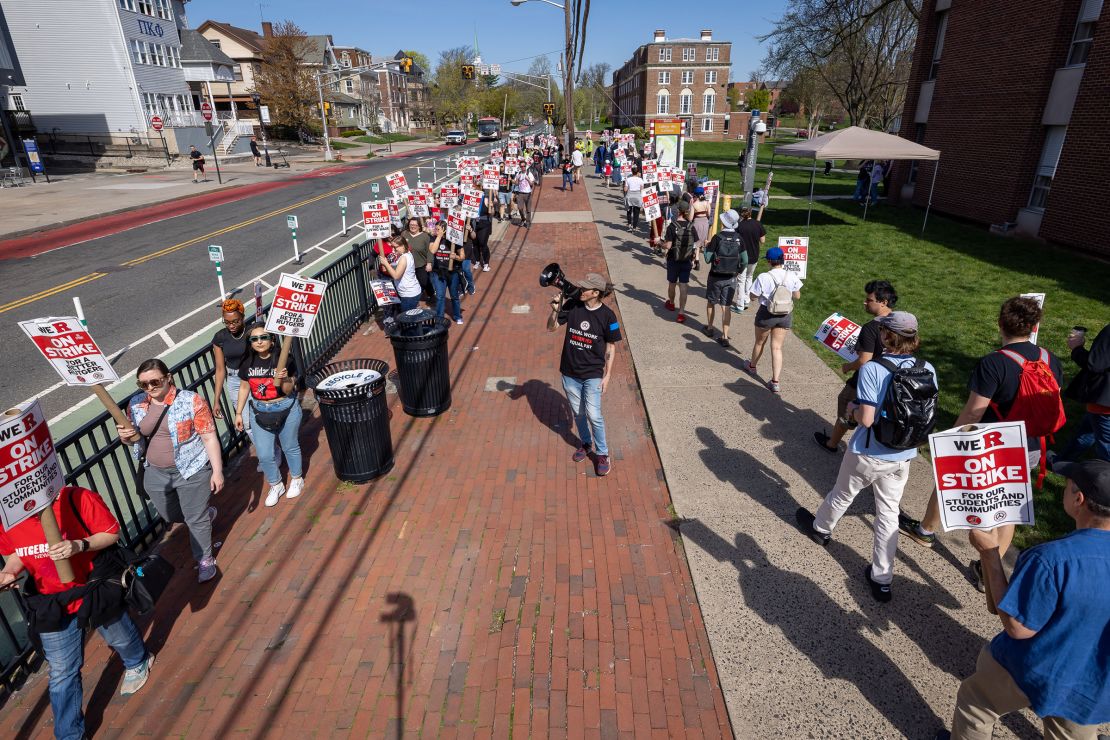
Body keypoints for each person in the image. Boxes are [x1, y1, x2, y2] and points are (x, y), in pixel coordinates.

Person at [936, 459, 1110, 740]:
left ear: (1078, 499)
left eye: (1066, 487)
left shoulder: (1050, 559)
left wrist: (990, 554)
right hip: (1094, 685)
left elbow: (1017, 627)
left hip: (1034, 668)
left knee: (976, 703)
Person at [899, 297, 1064, 590]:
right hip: (1030, 443)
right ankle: (991, 573)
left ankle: (926, 530)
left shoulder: (994, 363)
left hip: (991, 443)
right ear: (1035, 326)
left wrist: (950, 439)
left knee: (954, 482)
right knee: (1010, 505)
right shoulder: (1051, 360)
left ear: (1000, 324)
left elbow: (975, 410)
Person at [795, 312, 936, 602]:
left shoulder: (874, 368)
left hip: (869, 452)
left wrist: (852, 412)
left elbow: (868, 419)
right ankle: (882, 578)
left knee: (843, 493)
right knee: (888, 513)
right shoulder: (928, 368)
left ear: (886, 336)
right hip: (904, 453)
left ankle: (821, 529)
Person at [0, 485, 156, 738]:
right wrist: (10, 571)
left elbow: (110, 533)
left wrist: (78, 545)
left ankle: (138, 659)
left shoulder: (75, 497)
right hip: (50, 600)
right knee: (62, 671)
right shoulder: (6, 516)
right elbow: (17, 552)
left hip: (92, 586)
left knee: (117, 634)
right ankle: (70, 735)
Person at [119, 359, 223, 582]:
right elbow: (134, 440)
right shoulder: (136, 404)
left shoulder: (191, 401)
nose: (150, 388)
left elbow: (208, 436)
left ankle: (204, 559)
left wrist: (217, 471)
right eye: (143, 384)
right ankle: (205, 515)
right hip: (155, 471)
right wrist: (125, 439)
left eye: (155, 382)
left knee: (195, 518)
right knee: (170, 515)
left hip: (192, 468)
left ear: (168, 378)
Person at [547, 273, 621, 478]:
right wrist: (554, 312)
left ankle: (603, 454)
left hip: (593, 374)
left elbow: (611, 346)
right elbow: (552, 328)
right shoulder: (572, 305)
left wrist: (608, 375)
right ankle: (586, 444)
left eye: (585, 289)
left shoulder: (608, 316)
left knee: (594, 415)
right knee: (579, 413)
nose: (581, 291)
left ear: (595, 293)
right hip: (569, 373)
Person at [813, 281, 897, 453]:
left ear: (884, 302)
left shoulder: (871, 328)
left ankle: (834, 443)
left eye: (869, 300)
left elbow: (864, 361)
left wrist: (847, 367)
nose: (864, 302)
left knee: (846, 404)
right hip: (890, 378)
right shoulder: (899, 323)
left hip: (865, 379)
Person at [235, 326, 305, 507]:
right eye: (254, 339)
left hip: (285, 407)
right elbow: (244, 387)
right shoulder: (247, 363)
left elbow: (290, 390)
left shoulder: (285, 360)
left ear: (272, 340)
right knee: (265, 454)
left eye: (264, 337)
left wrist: (284, 379)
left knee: (290, 447)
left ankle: (297, 478)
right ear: (250, 343)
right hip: (260, 409)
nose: (259, 341)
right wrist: (239, 413)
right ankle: (276, 484)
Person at [744, 247, 803, 394]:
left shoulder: (764, 277)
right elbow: (797, 296)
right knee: (777, 347)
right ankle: (775, 382)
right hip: (785, 314)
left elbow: (752, 296)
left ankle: (752, 366)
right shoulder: (791, 275)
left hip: (766, 313)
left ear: (769, 261)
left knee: (759, 343)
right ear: (782, 260)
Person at [1052, 323, 1110, 465]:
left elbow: (1095, 364)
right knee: (1087, 430)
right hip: (1102, 403)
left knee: (1106, 450)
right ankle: (1061, 462)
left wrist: (1077, 348)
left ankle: (1100, 484)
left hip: (1104, 403)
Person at [701, 209, 746, 346]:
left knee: (711, 302)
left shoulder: (717, 238)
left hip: (715, 277)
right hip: (731, 277)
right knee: (726, 306)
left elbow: (708, 259)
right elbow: (745, 260)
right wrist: (738, 271)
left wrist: (706, 247)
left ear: (723, 222)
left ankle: (710, 328)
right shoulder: (739, 239)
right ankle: (725, 336)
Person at [662, 200, 698, 324]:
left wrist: (659, 243)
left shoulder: (672, 226)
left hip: (673, 259)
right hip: (686, 260)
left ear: (678, 210)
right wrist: (694, 259)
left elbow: (668, 246)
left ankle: (671, 303)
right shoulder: (691, 226)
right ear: (687, 211)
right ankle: (681, 313)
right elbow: (696, 244)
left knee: (672, 283)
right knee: (683, 286)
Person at [429, 221, 465, 324]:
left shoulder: (455, 239)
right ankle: (439, 318)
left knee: (454, 295)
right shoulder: (433, 238)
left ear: (445, 229)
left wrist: (456, 257)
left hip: (452, 272)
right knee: (440, 296)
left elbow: (463, 256)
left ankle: (457, 316)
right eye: (435, 229)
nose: (436, 231)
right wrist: (439, 237)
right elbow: (432, 250)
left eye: (438, 229)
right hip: (438, 272)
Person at [732, 208, 766, 313]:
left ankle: (740, 304)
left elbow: (735, 242)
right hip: (754, 256)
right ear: (751, 212)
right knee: (749, 277)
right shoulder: (758, 224)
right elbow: (763, 241)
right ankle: (746, 299)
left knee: (741, 280)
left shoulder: (739, 226)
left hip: (742, 257)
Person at [377, 234, 423, 311]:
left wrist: (386, 264)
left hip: (409, 294)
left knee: (407, 319)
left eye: (395, 247)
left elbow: (396, 276)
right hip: (410, 292)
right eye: (392, 247)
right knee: (410, 316)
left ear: (403, 246)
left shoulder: (404, 258)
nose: (393, 250)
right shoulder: (406, 254)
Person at [402, 216, 434, 302]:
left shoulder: (425, 236)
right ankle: (415, 299)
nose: (413, 226)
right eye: (411, 224)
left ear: (419, 226)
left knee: (424, 282)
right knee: (412, 284)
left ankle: (431, 294)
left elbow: (429, 251)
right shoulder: (404, 234)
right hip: (408, 265)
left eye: (415, 225)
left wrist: (429, 263)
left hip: (421, 264)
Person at [472, 200, 493, 273]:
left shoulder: (486, 199)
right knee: (475, 244)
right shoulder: (470, 198)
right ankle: (477, 260)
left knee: (482, 243)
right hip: (473, 223)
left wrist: (491, 206)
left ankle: (486, 263)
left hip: (484, 224)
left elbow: (492, 213)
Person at [690, 186, 711, 251]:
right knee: (703, 238)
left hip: (697, 222)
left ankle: (696, 256)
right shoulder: (707, 203)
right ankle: (699, 253)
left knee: (696, 238)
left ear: (695, 195)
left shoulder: (694, 204)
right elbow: (709, 215)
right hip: (705, 222)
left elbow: (690, 218)